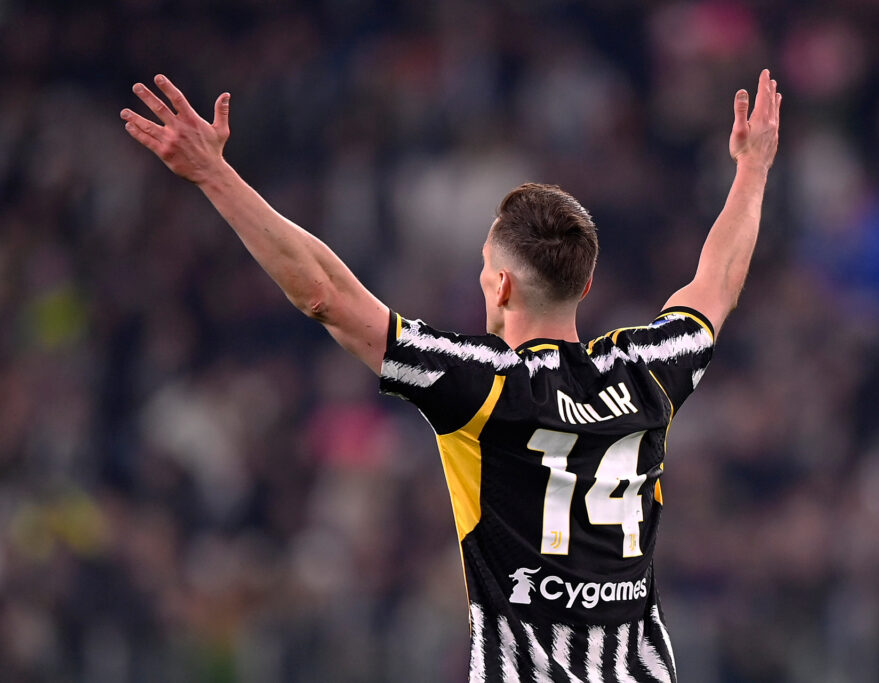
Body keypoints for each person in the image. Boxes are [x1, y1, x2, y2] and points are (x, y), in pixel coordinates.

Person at [121, 68, 780, 682]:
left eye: (483, 267)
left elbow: (324, 294)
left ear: (500, 285)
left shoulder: (483, 384)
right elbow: (718, 281)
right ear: (585, 285)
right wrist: (752, 168)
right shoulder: (647, 369)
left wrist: (213, 174)